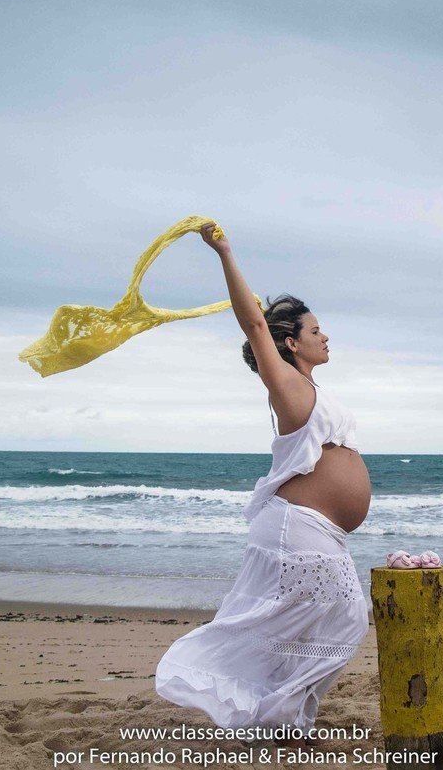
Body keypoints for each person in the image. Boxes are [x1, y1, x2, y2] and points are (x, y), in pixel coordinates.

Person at [154, 221, 372, 736]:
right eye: (316, 330)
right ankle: (277, 715)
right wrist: (225, 253)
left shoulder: (312, 390)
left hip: (316, 530)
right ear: (292, 343)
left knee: (324, 625)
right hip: (297, 529)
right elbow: (254, 325)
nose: (326, 336)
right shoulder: (290, 388)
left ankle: (284, 715)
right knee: (341, 620)